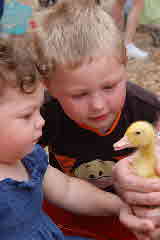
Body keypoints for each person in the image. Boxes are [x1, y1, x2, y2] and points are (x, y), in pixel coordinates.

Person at [29, 0, 160, 239]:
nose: (98, 105)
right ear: (49, 86)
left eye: (109, 86)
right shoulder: (42, 115)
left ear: (124, 65)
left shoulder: (146, 108)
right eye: (79, 94)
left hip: (134, 211)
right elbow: (25, 164)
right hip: (70, 210)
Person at [0, 34, 135, 240]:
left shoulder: (25, 157)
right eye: (27, 115)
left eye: (39, 110)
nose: (41, 121)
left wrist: (119, 206)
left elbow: (67, 189)